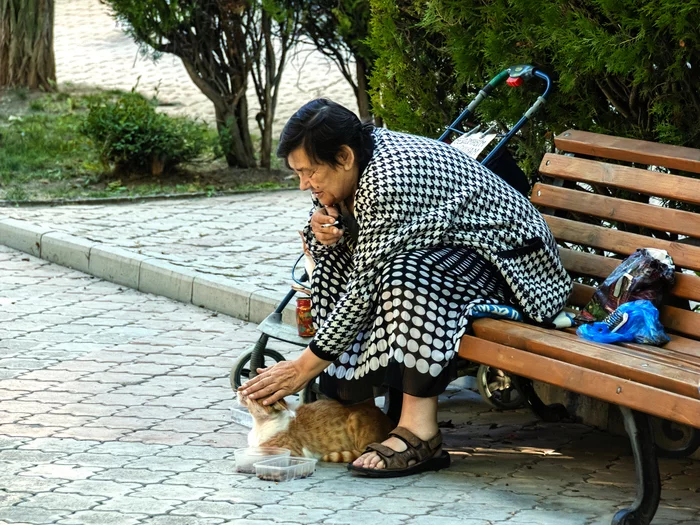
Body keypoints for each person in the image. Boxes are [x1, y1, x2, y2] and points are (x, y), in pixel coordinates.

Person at [238, 99, 572, 477]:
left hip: (515, 271)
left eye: (310, 172)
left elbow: (365, 284)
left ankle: (419, 432)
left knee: (405, 273)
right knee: (356, 258)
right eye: (298, 174)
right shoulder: (361, 157)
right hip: (459, 253)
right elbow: (360, 242)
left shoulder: (386, 181)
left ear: (344, 156)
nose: (304, 185)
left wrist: (303, 366)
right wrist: (324, 227)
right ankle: (351, 410)